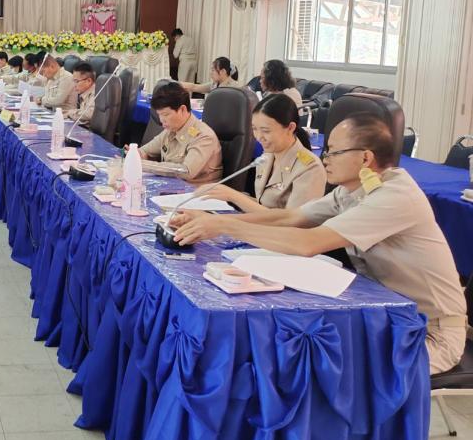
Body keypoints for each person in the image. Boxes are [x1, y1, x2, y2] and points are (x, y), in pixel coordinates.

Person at [172, 113, 466, 374]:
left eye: (334, 152)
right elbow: (291, 217)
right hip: (384, 317)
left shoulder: (394, 197)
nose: (325, 158)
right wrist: (212, 218)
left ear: (365, 158)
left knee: (322, 367)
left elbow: (309, 243)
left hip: (427, 332)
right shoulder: (352, 190)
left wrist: (224, 226)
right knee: (290, 349)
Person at [196, 94, 325, 211]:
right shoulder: (267, 156)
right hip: (259, 225)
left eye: (266, 131)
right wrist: (227, 194)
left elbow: (293, 222)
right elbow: (262, 205)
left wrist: (234, 196)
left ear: (290, 128)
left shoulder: (309, 168)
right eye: (254, 129)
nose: (258, 137)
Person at [137, 81, 222, 184]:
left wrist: (143, 164)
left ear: (182, 109)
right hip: (171, 187)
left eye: (166, 114)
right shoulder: (171, 130)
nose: (161, 120)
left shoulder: (203, 136)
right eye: (159, 114)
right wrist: (135, 154)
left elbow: (186, 171)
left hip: (197, 191)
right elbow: (144, 150)